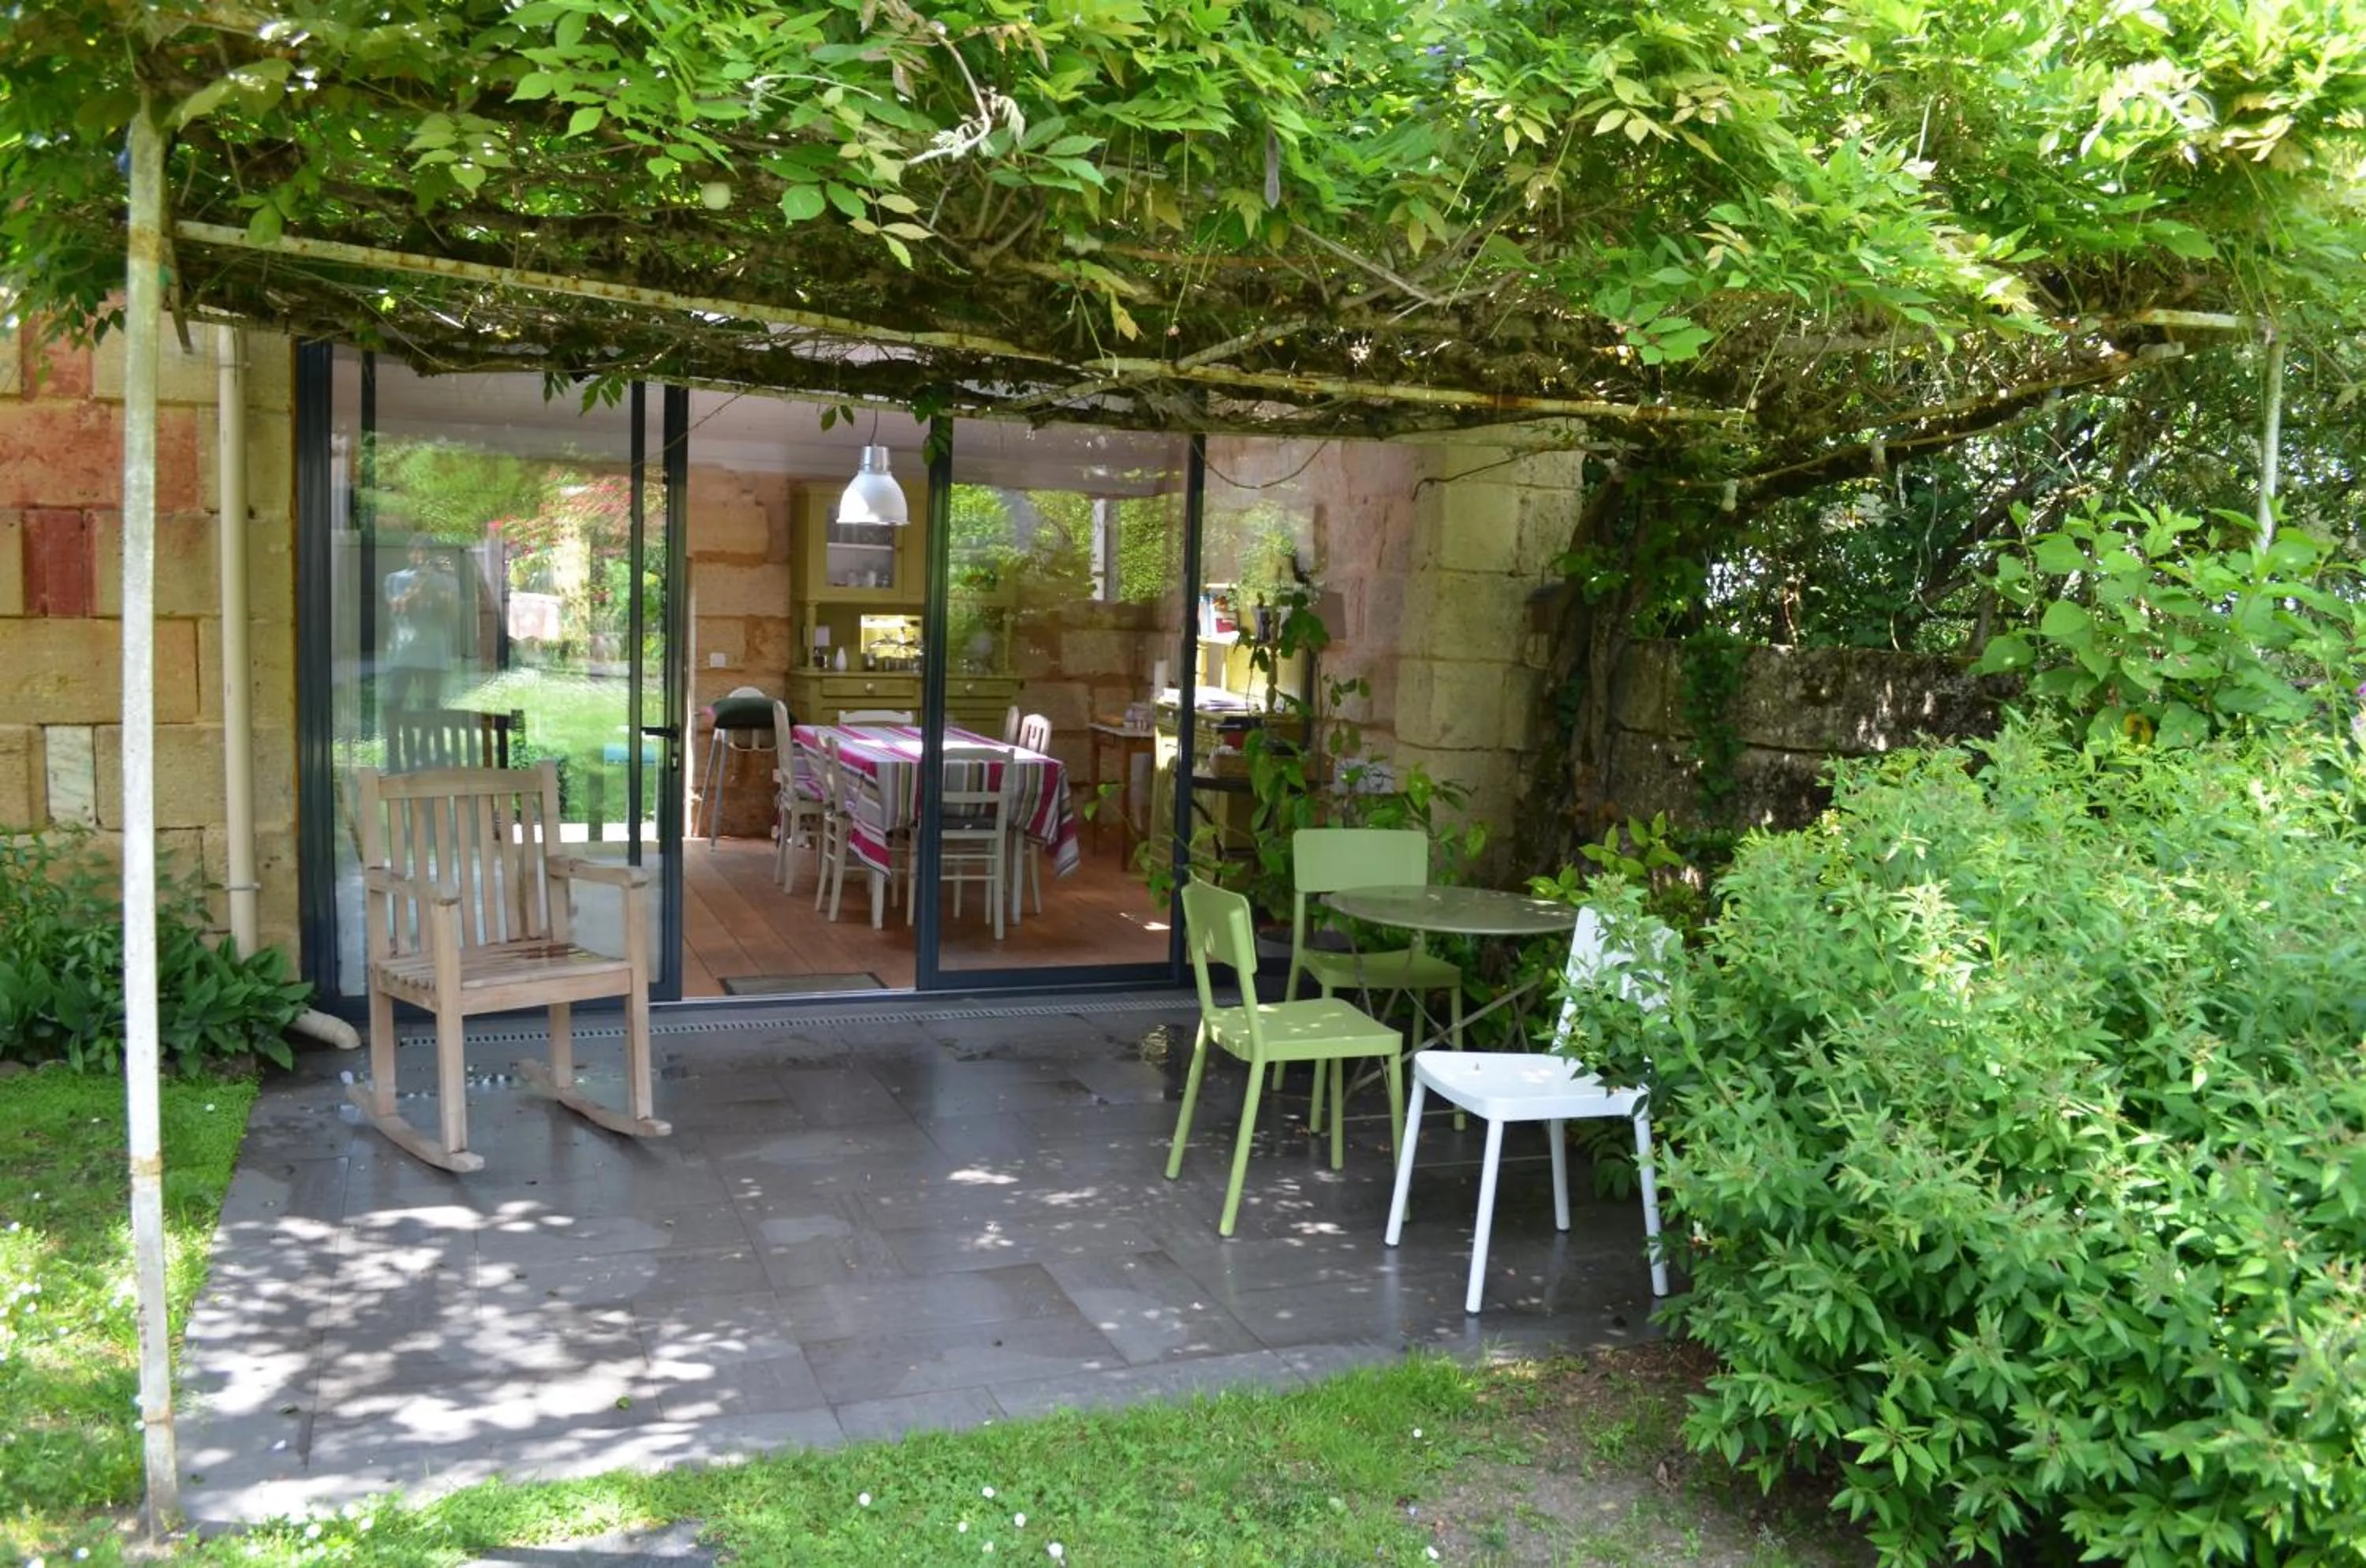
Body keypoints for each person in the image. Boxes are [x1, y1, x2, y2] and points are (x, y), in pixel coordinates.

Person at [383, 543, 460, 715]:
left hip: (433, 653)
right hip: (404, 653)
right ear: (409, 553)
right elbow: (398, 608)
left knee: (431, 708)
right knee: (395, 704)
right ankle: (394, 731)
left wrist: (444, 583)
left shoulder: (446, 580)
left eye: (425, 551)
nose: (420, 556)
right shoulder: (396, 578)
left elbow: (453, 615)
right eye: (416, 550)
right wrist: (420, 581)